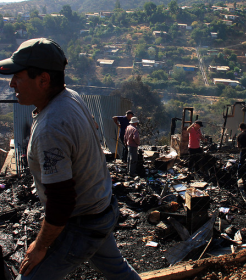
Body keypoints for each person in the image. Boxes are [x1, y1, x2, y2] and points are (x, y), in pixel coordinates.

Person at [0, 38, 141, 280]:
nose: (12, 84)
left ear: (43, 80)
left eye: (18, 77)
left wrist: (41, 246)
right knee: (117, 270)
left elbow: (62, 202)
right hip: (102, 207)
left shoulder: (51, 127)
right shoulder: (70, 96)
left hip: (83, 223)